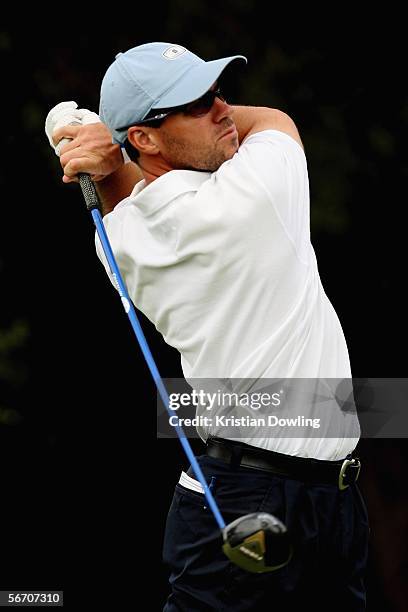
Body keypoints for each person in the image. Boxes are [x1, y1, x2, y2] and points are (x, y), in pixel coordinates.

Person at [49, 42, 369, 611]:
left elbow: (128, 186)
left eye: (217, 92)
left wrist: (110, 141)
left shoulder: (116, 240)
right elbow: (274, 120)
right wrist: (106, 136)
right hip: (255, 497)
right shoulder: (259, 190)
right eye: (196, 105)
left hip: (290, 493)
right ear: (144, 137)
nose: (223, 108)